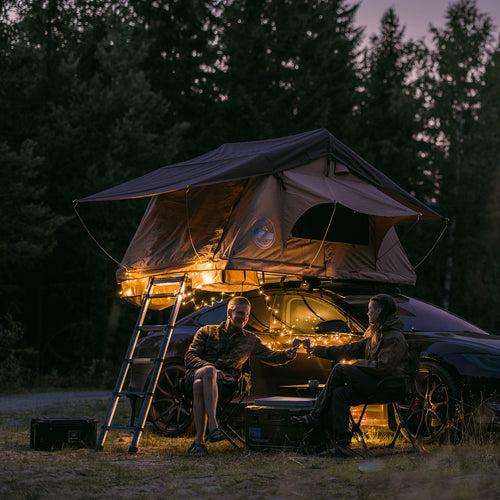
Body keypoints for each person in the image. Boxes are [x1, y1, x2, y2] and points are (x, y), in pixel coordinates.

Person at [291, 293, 408, 457]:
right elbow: (349, 349)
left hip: (387, 386)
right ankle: (343, 446)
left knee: (340, 369)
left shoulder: (394, 337)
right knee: (340, 393)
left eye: (370, 310)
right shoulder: (375, 334)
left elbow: (383, 368)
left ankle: (313, 417)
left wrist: (355, 365)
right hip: (374, 383)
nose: (367, 313)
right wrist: (319, 350)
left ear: (380, 310)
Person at [184, 295, 297, 456]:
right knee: (208, 373)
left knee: (200, 385)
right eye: (241, 313)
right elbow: (189, 357)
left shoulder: (250, 340)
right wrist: (210, 369)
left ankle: (199, 444)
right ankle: (214, 427)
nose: (244, 318)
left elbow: (269, 356)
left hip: (224, 385)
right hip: (195, 375)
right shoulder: (206, 331)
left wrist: (285, 354)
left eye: (247, 315)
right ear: (230, 312)